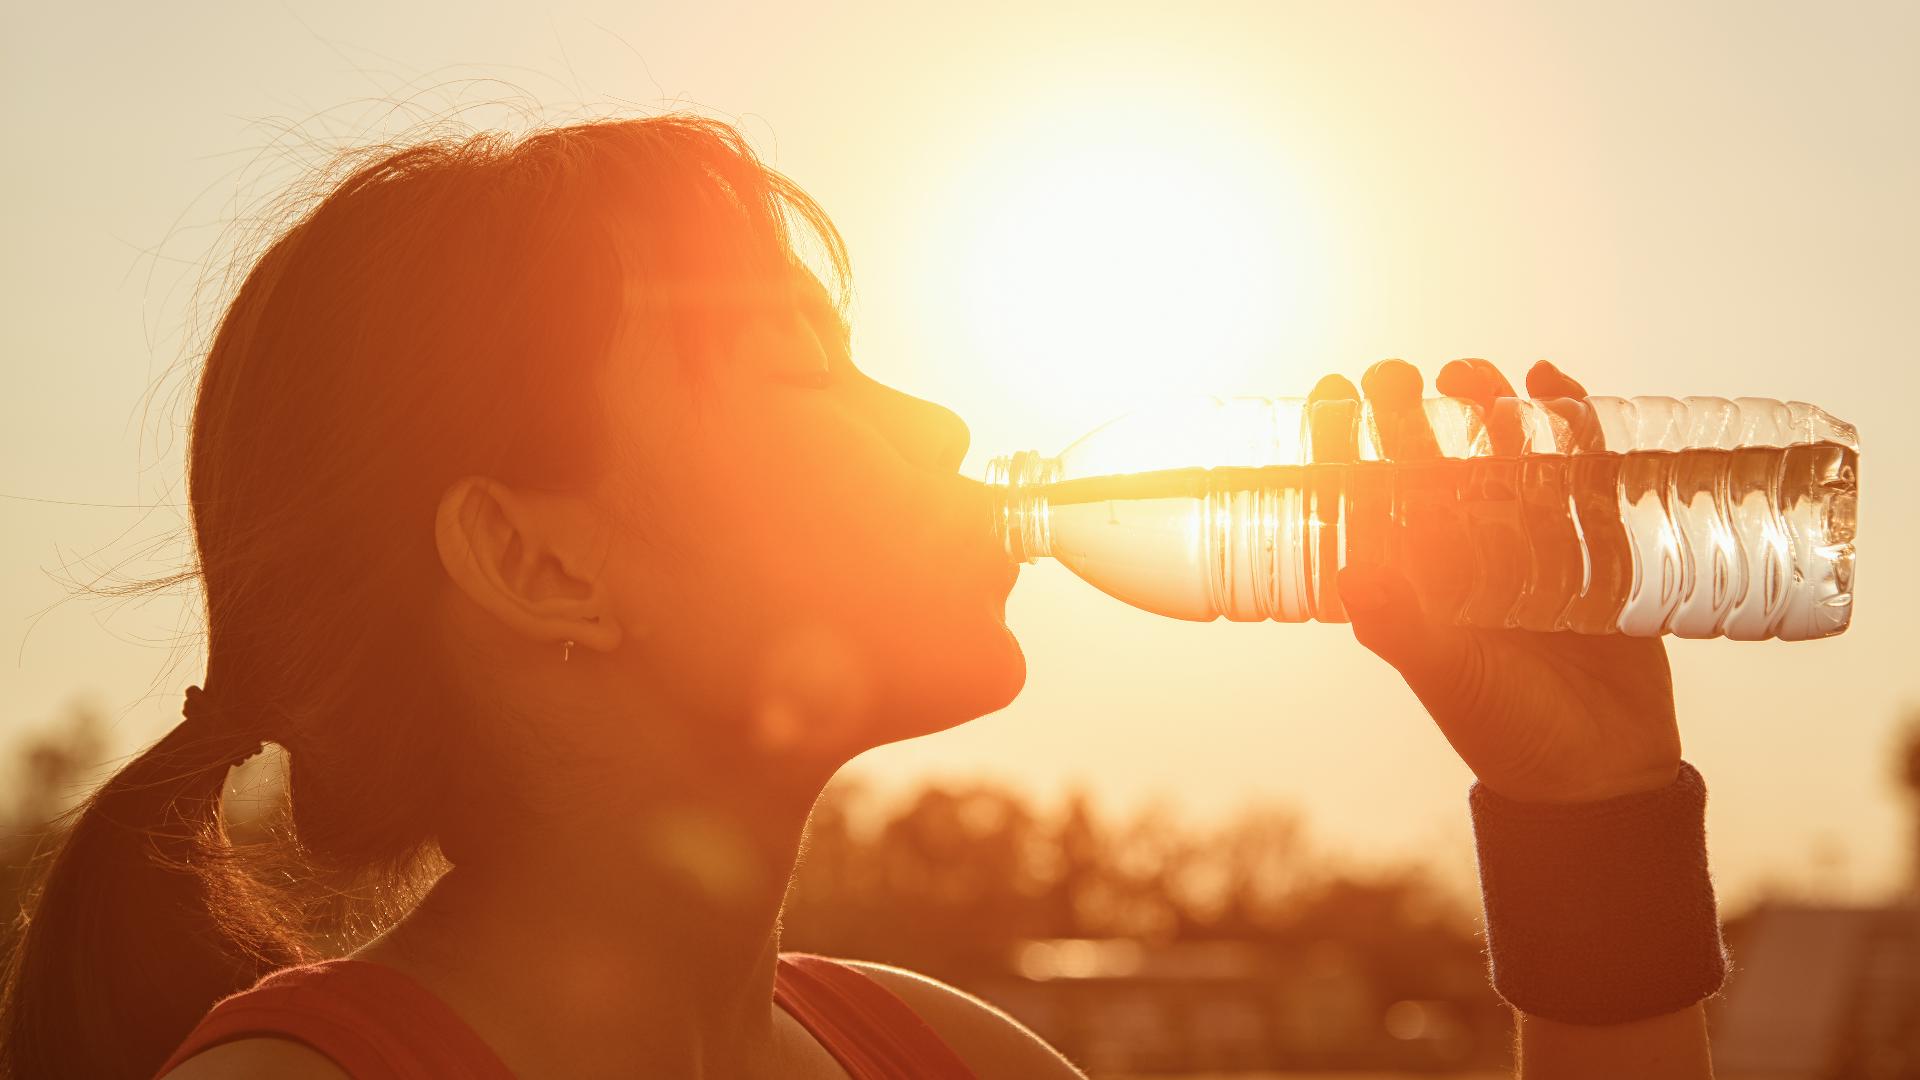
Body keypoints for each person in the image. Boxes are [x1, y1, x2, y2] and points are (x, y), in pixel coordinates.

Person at [0, 115, 1724, 1080]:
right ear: (539, 561)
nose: (940, 419)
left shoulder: (947, 1060)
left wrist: (1591, 815)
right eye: (789, 363)